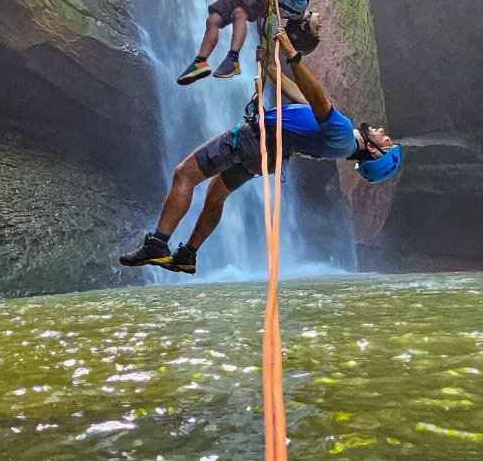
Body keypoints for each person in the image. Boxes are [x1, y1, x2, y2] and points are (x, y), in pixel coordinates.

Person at [121, 27, 402, 275]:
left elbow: (317, 97)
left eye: (385, 141)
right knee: (215, 196)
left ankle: (158, 243)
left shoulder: (343, 135)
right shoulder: (340, 141)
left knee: (184, 175)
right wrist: (271, 70)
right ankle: (188, 255)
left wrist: (292, 56)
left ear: (374, 153)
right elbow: (305, 99)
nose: (383, 133)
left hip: (250, 141)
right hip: (261, 158)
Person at [176, 0, 322, 85]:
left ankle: (233, 58)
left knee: (239, 12)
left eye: (317, 30)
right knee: (213, 19)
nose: (320, 24)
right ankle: (200, 61)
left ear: (304, 27)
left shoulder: (302, 2)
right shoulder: (289, 13)